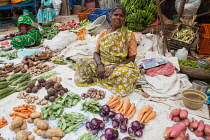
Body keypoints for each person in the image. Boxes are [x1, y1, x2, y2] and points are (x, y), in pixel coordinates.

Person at [74, 4, 140, 97]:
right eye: (116, 15)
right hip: (103, 63)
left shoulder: (129, 35)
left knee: (127, 74)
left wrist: (113, 68)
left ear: (124, 18)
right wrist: (99, 64)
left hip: (119, 66)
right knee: (81, 62)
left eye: (121, 16)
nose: (118, 17)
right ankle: (103, 77)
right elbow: (96, 52)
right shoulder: (103, 33)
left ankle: (99, 78)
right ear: (110, 17)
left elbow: (132, 58)